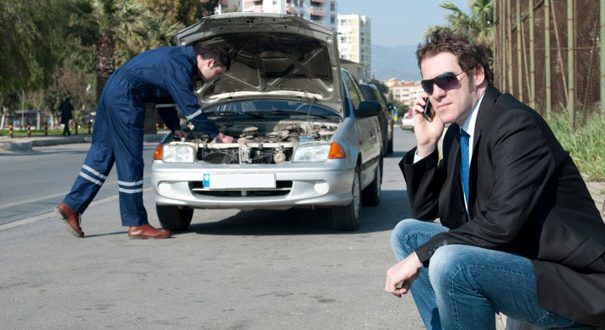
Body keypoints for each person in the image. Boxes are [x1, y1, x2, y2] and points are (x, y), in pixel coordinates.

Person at [384, 30, 605, 329]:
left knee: (451, 264)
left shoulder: (515, 125)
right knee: (408, 234)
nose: (437, 93)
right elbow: (428, 212)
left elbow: (500, 224)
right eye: (429, 84)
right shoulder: (456, 135)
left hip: (572, 281)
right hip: (518, 255)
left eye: (447, 80)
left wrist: (419, 258)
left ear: (477, 75)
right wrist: (426, 147)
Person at [56, 45, 232, 239]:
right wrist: (217, 135)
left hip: (112, 91)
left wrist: (174, 127)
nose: (214, 78)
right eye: (217, 73)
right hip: (126, 97)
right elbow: (190, 108)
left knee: (102, 153)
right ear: (210, 62)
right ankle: (136, 223)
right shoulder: (180, 66)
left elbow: (164, 98)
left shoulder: (177, 58)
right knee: (130, 160)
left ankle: (72, 205)